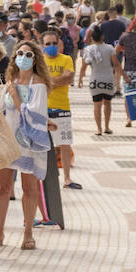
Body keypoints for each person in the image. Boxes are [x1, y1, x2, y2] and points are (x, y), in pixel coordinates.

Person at [0, 42, 52, 251]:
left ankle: (28, 232)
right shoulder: (11, 80)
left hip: (29, 142)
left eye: (28, 54)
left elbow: (34, 115)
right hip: (8, 140)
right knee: (3, 187)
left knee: (29, 187)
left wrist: (16, 96)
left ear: (35, 58)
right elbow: (1, 109)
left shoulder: (39, 84)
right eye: (20, 53)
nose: (23, 57)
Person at [41, 29, 79, 189]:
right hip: (42, 109)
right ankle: (43, 179)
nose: (51, 46)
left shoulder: (66, 59)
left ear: (59, 44)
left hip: (62, 107)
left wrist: (48, 81)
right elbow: (39, 82)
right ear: (42, 45)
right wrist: (58, 80)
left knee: (64, 143)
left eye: (54, 43)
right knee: (42, 146)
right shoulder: (40, 61)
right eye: (47, 44)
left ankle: (67, 178)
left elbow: (68, 78)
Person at [78, 26, 118, 135]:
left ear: (92, 38)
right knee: (108, 103)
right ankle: (107, 127)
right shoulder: (110, 48)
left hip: (95, 79)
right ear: (102, 36)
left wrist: (80, 78)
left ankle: (99, 129)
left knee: (97, 104)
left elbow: (84, 65)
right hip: (108, 79)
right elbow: (116, 64)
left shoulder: (89, 49)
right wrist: (120, 77)